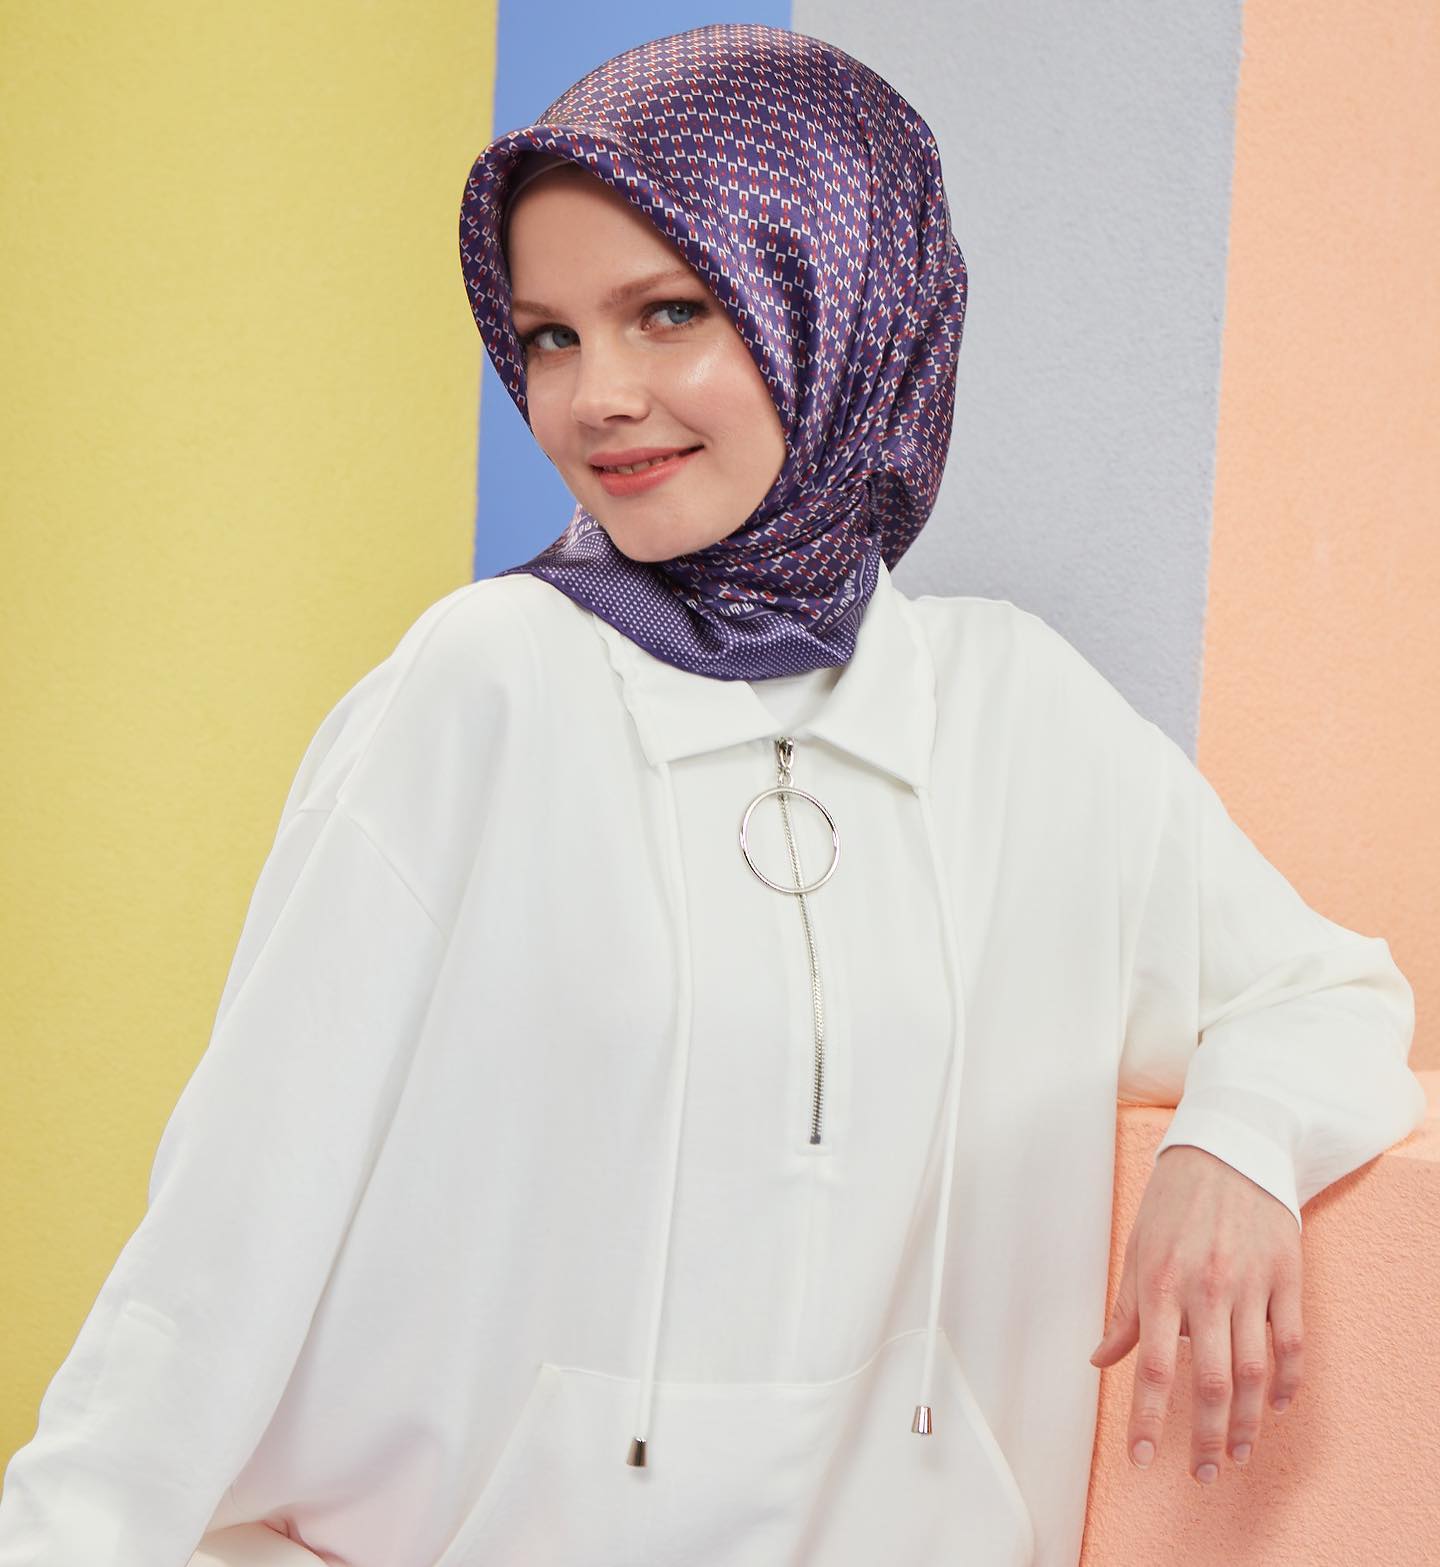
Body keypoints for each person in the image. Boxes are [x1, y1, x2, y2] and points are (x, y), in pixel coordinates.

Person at [0, 21, 1425, 1567]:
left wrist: (1238, 1147)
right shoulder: (485, 687)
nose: (594, 397)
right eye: (549, 337)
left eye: (668, 313)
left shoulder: (1017, 712)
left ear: (846, 304)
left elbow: (1325, 993)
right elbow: (235, 1214)